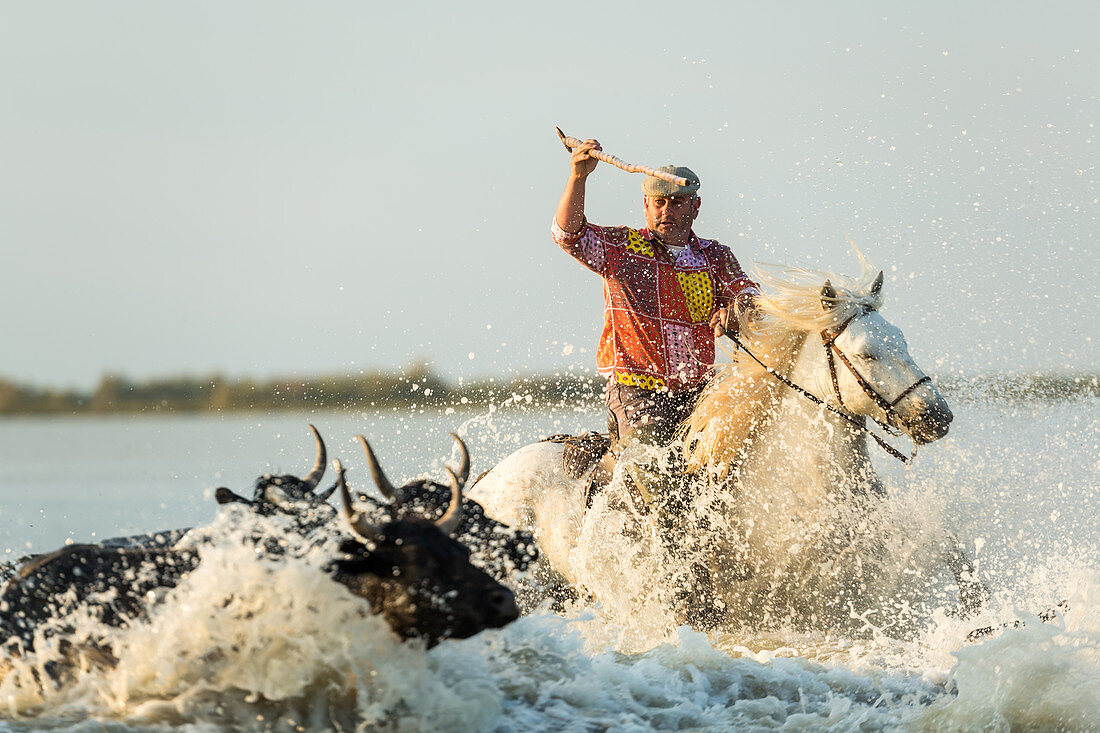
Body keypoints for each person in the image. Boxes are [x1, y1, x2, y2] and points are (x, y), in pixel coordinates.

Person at [553, 139, 760, 459]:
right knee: (658, 469)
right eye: (659, 202)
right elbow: (568, 235)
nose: (667, 211)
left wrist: (737, 311)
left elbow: (751, 297)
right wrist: (578, 178)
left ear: (696, 206)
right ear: (646, 205)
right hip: (637, 392)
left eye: (677, 202)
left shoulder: (715, 256)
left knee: (751, 456)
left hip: (701, 393)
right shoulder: (623, 247)